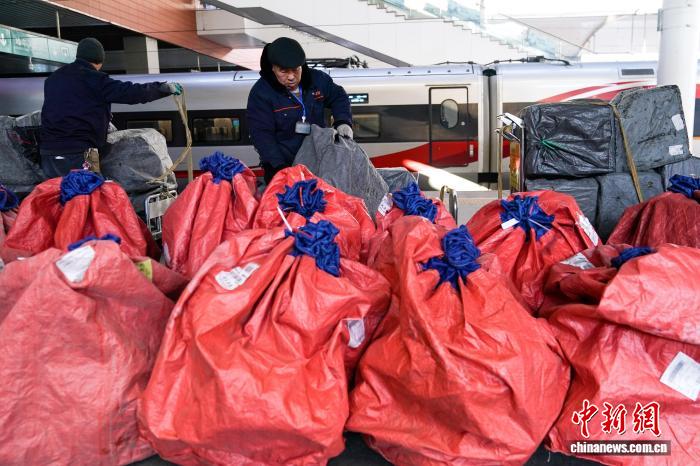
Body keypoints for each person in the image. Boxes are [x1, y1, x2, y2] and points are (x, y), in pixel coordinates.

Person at [40, 37, 183, 178]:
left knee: (55, 190)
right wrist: (162, 88)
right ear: (99, 61)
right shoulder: (95, 79)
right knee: (92, 189)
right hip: (84, 151)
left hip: (48, 153)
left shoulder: (53, 79)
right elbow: (130, 93)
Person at [246, 37, 354, 183]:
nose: (291, 77)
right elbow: (262, 135)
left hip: (320, 162)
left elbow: (339, 96)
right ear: (273, 68)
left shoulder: (318, 80)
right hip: (284, 165)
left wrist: (343, 121)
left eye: (296, 70)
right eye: (283, 71)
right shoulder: (261, 93)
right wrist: (280, 168)